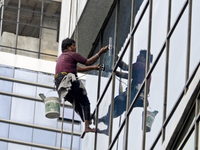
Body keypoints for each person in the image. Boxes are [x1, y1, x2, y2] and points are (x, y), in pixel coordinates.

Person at [54, 38, 108, 133]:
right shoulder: (72, 54)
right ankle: (87, 126)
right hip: (69, 81)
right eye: (73, 45)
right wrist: (100, 52)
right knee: (85, 101)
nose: (75, 47)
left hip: (61, 87)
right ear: (68, 47)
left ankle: (87, 118)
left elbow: (77, 68)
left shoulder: (61, 58)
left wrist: (94, 68)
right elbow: (88, 61)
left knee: (76, 104)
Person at [97, 50, 153, 134]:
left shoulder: (141, 65)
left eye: (140, 56)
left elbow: (125, 67)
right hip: (139, 97)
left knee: (115, 103)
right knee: (117, 107)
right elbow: (125, 75)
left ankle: (106, 123)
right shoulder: (143, 71)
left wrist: (115, 55)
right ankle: (105, 121)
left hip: (135, 94)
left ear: (145, 59)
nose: (137, 57)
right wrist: (113, 71)